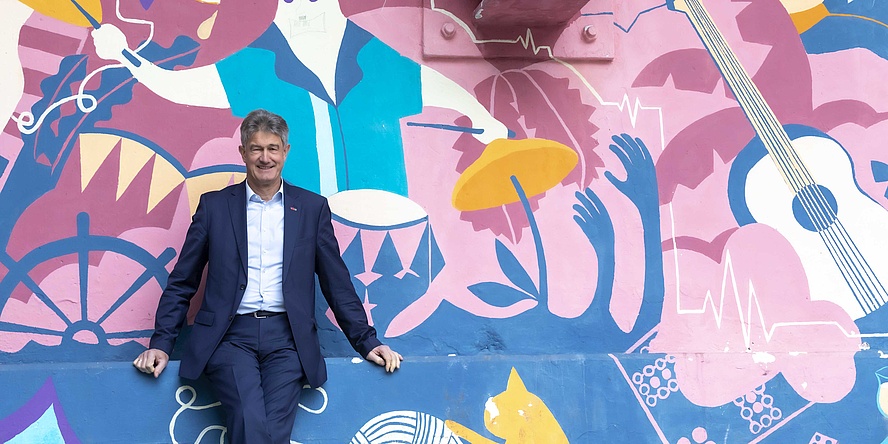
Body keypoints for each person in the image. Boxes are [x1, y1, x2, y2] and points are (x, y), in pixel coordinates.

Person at [133, 109, 402, 444]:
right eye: (256, 148)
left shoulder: (311, 208)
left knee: (273, 433)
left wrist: (367, 341)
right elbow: (183, 280)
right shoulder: (214, 207)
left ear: (285, 151)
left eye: (273, 148)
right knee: (248, 417)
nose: (265, 157)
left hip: (288, 341)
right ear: (243, 152)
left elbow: (337, 283)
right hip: (230, 337)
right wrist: (161, 343)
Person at [90, 0, 508, 197]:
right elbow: (183, 87)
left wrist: (480, 117)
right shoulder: (256, 63)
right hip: (298, 232)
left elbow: (432, 85)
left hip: (381, 229)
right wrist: (127, 56)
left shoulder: (371, 55)